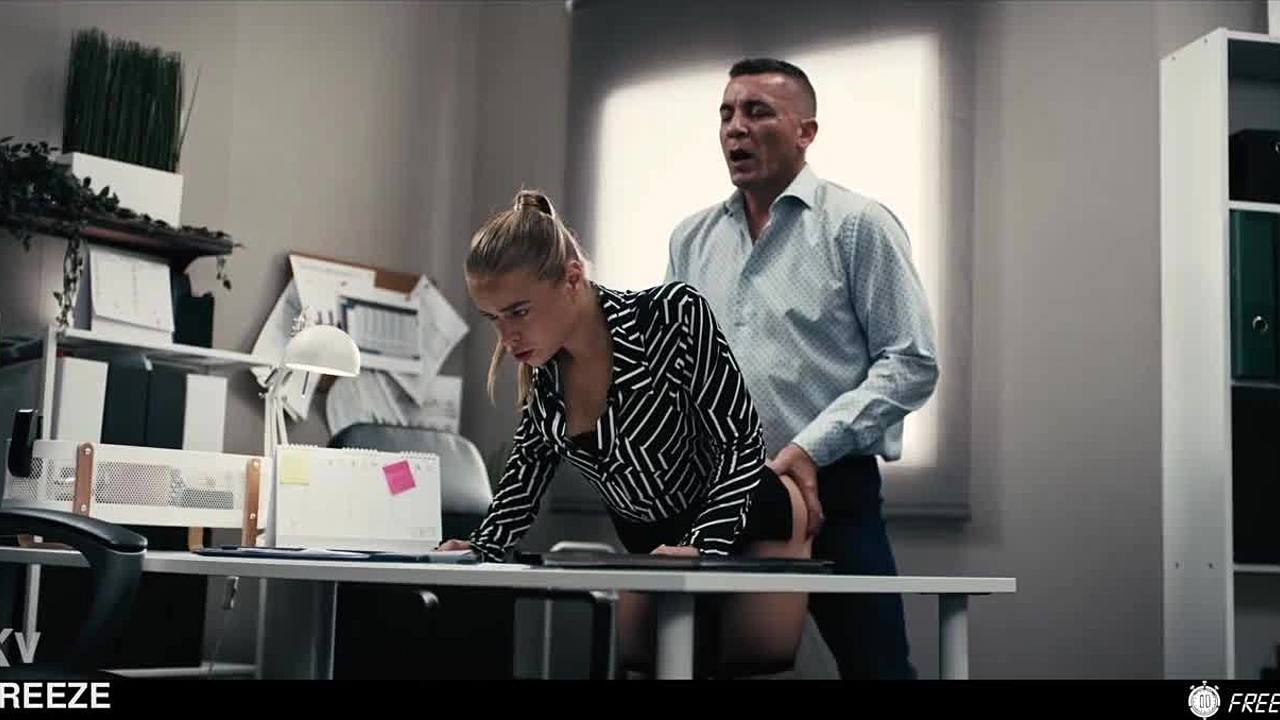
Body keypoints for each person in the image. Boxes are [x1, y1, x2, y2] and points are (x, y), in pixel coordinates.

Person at [439, 189, 812, 675]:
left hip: (751, 514)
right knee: (646, 663)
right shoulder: (545, 376)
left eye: (519, 311)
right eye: (493, 318)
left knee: (741, 663)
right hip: (653, 538)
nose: (506, 338)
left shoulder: (672, 315)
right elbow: (525, 475)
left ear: (573, 278)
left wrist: (702, 543)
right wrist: (481, 545)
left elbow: (741, 440)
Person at [665, 57, 939, 679]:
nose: (735, 128)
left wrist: (810, 448)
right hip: (722, 494)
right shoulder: (691, 239)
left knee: (879, 670)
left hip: (833, 492)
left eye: (757, 111)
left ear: (805, 132)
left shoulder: (858, 226)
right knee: (703, 665)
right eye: (726, 114)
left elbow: (911, 362)